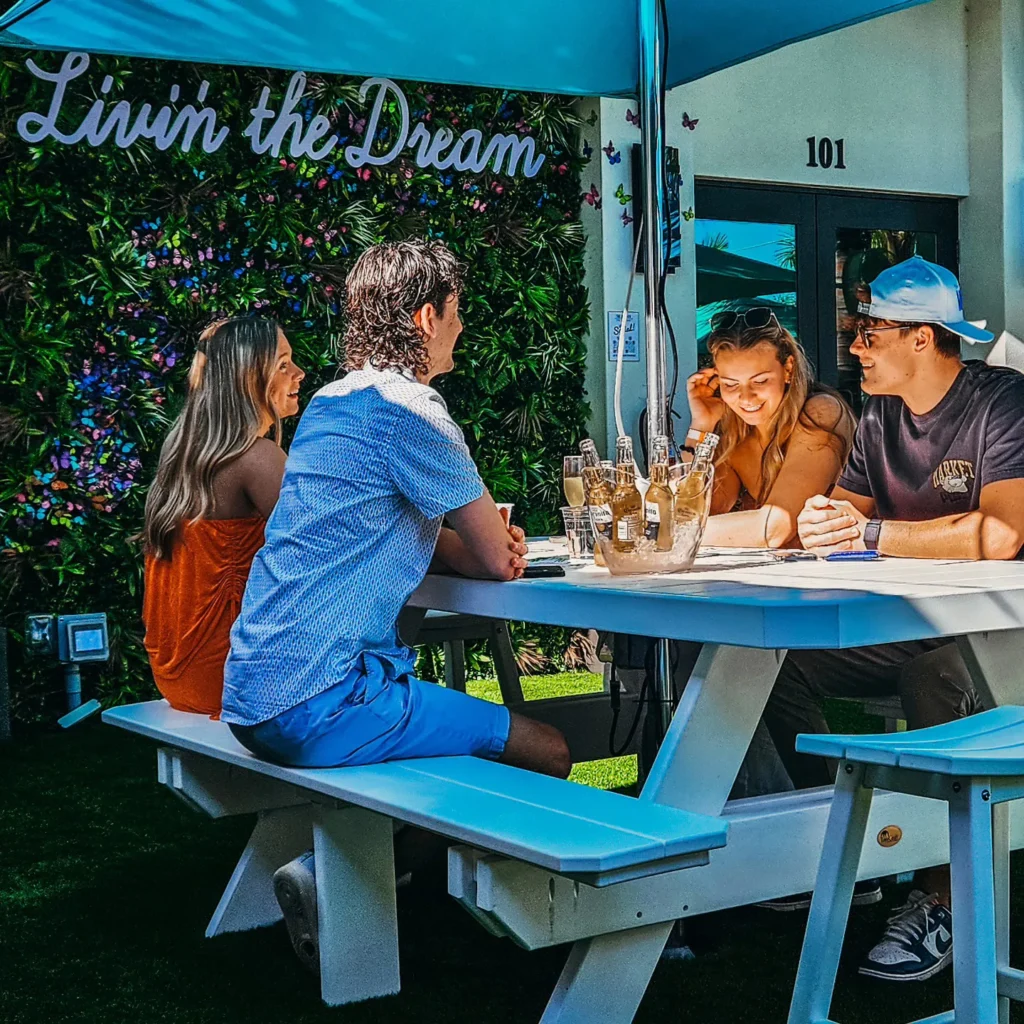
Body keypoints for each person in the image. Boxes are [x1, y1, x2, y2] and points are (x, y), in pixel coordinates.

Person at [220, 239, 571, 971]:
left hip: (254, 690)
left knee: (467, 732)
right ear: (423, 317)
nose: (461, 328)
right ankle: (355, 880)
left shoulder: (329, 404)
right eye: (456, 313)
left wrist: (461, 539)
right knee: (550, 750)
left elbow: (398, 529)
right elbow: (491, 561)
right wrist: (494, 541)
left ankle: (375, 874)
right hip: (320, 700)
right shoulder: (413, 411)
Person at [767, 255, 1024, 982]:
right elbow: (850, 510)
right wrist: (824, 521)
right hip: (907, 619)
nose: (853, 345)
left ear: (923, 338)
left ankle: (941, 890)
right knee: (767, 661)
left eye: (869, 330)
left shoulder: (1003, 404)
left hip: (1002, 631)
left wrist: (869, 537)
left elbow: (1003, 536)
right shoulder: (880, 415)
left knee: (936, 675)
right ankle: (857, 844)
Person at [142, 317, 305, 717]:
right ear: (248, 379)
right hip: (230, 677)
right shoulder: (255, 458)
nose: (299, 374)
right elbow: (323, 548)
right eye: (282, 365)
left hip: (178, 674)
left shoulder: (181, 458)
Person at [687, 309, 855, 548]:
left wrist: (673, 534)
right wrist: (701, 425)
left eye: (760, 381)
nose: (746, 397)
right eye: (730, 384)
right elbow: (694, 509)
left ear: (788, 369)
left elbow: (776, 527)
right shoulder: (734, 430)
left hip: (845, 572)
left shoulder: (819, 412)